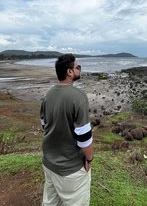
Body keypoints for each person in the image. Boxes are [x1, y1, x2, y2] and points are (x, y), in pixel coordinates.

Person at [40, 53, 93, 206]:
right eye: (78, 67)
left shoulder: (48, 95)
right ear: (70, 72)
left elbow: (44, 125)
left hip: (49, 162)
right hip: (71, 169)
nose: (80, 70)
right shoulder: (79, 96)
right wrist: (89, 159)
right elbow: (84, 138)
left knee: (50, 202)